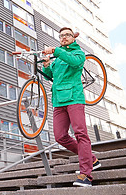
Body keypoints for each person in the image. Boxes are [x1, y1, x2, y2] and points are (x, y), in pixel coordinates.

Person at [42, 27, 101, 187]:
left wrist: (56, 51)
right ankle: (91, 158)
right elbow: (49, 76)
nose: (64, 37)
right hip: (59, 100)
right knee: (60, 136)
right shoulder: (58, 58)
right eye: (61, 36)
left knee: (80, 133)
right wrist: (47, 65)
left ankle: (86, 175)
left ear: (73, 38)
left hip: (74, 97)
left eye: (67, 35)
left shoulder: (78, 53)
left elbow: (74, 62)